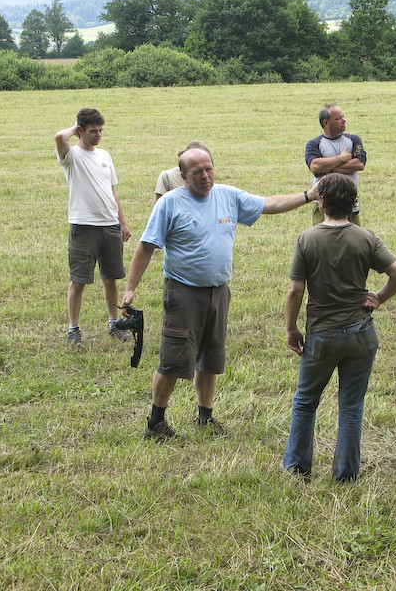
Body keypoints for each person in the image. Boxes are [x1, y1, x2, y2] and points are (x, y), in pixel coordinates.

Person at [121, 146, 320, 442]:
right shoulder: (170, 204)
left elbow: (270, 204)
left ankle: (205, 415)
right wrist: (130, 288)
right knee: (174, 359)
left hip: (218, 291)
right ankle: (156, 422)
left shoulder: (228, 195)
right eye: (197, 172)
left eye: (209, 168)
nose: (205, 176)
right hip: (183, 292)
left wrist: (308, 195)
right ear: (183, 175)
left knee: (210, 357)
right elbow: (146, 246)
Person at [282, 173, 396, 482]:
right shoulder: (366, 237)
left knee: (305, 401)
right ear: (353, 204)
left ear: (321, 203)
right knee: (351, 405)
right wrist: (378, 298)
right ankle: (346, 474)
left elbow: (295, 290)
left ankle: (298, 468)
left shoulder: (307, 238)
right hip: (361, 333)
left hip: (322, 334)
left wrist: (291, 328)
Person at [54, 108, 131, 348]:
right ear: (80, 131)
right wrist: (73, 125)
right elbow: (59, 138)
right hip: (83, 226)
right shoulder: (72, 156)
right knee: (79, 281)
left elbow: (112, 191)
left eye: (101, 130)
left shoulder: (105, 156)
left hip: (109, 226)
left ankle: (113, 323)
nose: (98, 135)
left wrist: (123, 222)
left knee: (111, 279)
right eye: (92, 131)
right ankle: (73, 329)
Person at [305, 104, 366, 225]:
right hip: (323, 204)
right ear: (326, 122)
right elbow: (315, 166)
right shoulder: (314, 144)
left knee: (354, 242)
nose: (343, 120)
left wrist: (328, 169)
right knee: (321, 241)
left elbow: (359, 164)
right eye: (338, 118)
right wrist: (341, 158)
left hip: (349, 205)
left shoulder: (354, 140)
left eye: (343, 117)